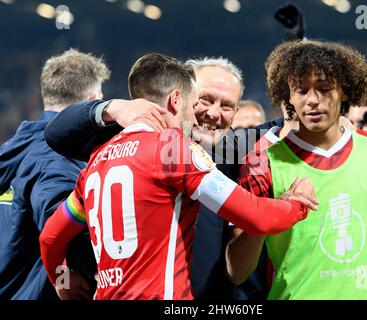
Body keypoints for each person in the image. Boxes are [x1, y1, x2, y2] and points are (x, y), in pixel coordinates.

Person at [39, 53, 318, 300]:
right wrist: (297, 205)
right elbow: (54, 132)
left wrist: (60, 280)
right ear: (179, 97)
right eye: (202, 100)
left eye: (227, 106)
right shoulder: (170, 147)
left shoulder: (99, 160)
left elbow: (50, 238)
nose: (210, 114)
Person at [226, 39, 367, 300]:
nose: (312, 100)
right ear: (287, 94)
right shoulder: (260, 163)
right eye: (301, 90)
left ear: (344, 91)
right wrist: (268, 214)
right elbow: (236, 270)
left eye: (324, 88)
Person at [0, 49, 109, 299]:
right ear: (91, 101)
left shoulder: (14, 147)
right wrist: (62, 274)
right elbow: (59, 225)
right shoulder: (55, 157)